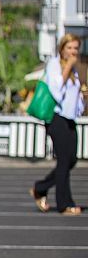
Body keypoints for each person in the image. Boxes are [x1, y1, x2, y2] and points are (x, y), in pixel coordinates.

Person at [30, 33, 84, 216]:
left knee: (71, 159)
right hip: (56, 117)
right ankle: (65, 204)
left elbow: (75, 96)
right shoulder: (55, 64)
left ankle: (40, 188)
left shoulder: (74, 69)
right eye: (69, 48)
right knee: (63, 161)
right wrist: (67, 67)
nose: (73, 52)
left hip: (70, 118)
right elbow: (57, 91)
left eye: (76, 48)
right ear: (62, 49)